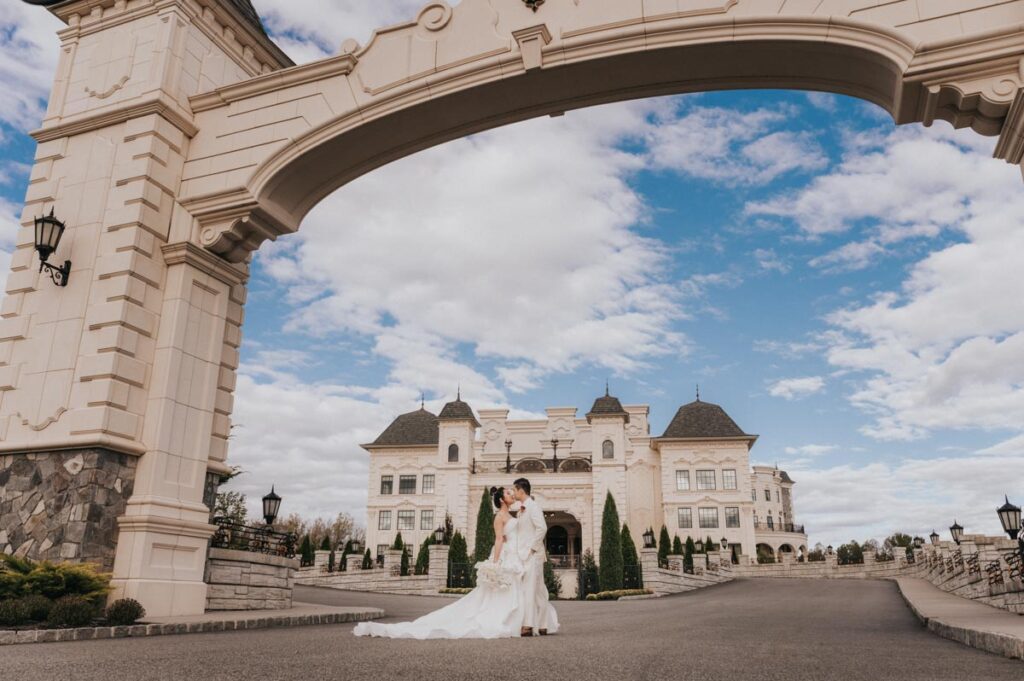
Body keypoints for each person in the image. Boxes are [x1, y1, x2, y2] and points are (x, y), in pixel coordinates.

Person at [353, 486, 526, 639]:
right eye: (508, 493)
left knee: (511, 588)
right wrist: (495, 563)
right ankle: (503, 619)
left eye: (512, 492)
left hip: (514, 553)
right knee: (502, 589)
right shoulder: (499, 517)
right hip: (506, 554)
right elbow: (498, 539)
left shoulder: (512, 513)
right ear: (501, 500)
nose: (512, 494)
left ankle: (516, 619)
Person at [512, 477, 558, 636]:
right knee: (538, 590)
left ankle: (528, 625)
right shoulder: (521, 510)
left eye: (514, 490)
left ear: (521, 490)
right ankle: (543, 624)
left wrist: (532, 549)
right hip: (527, 555)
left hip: (532, 555)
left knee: (530, 589)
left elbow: (542, 528)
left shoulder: (533, 506)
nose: (513, 493)